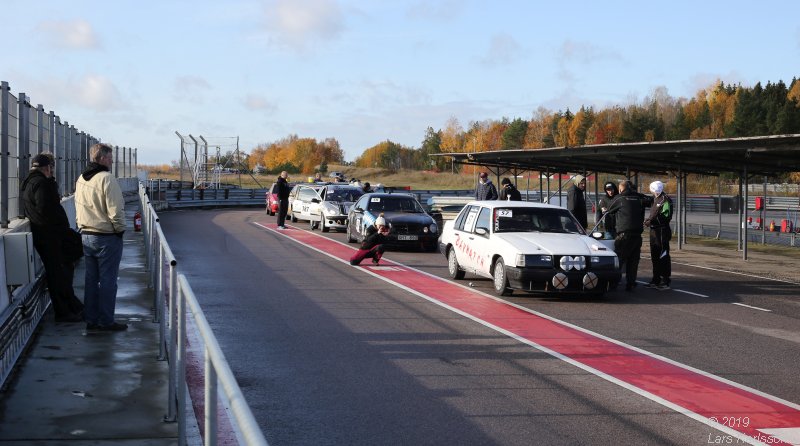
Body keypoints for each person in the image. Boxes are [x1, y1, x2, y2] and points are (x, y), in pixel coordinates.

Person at [20, 153, 84, 322]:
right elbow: (46, 209)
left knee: (58, 273)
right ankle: (65, 312)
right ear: (47, 168)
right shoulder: (42, 184)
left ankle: (72, 306)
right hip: (51, 237)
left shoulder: (28, 183)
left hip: (43, 236)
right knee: (60, 274)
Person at [75, 143, 127, 331]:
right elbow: (115, 209)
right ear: (103, 158)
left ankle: (91, 319)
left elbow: (78, 205)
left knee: (91, 279)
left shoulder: (81, 178)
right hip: (106, 236)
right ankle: (106, 320)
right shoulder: (107, 178)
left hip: (86, 234)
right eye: (110, 157)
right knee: (108, 281)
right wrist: (120, 230)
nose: (113, 160)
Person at [604, 180, 645, 292]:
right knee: (633, 261)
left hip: (624, 235)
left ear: (621, 189)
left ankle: (614, 283)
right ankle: (631, 283)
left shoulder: (620, 198)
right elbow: (649, 200)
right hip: (637, 235)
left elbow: (609, 209)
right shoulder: (638, 198)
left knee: (619, 260)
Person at [645, 181, 673, 290]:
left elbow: (665, 217)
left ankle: (665, 281)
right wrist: (649, 221)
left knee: (663, 256)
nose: (651, 191)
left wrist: (650, 221)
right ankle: (655, 279)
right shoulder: (655, 199)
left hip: (662, 232)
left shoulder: (666, 200)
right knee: (654, 257)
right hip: (654, 232)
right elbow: (653, 215)